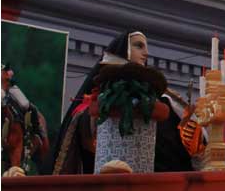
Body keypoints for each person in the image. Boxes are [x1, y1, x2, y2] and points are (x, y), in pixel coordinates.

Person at [51, 30, 202, 174]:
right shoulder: (96, 103)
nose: (146, 53)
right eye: (139, 46)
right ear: (123, 49)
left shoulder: (165, 101)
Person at [1, 63, 49, 175]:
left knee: (25, 104)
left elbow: (9, 75)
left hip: (9, 88)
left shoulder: (3, 67)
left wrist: (7, 77)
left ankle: (37, 132)